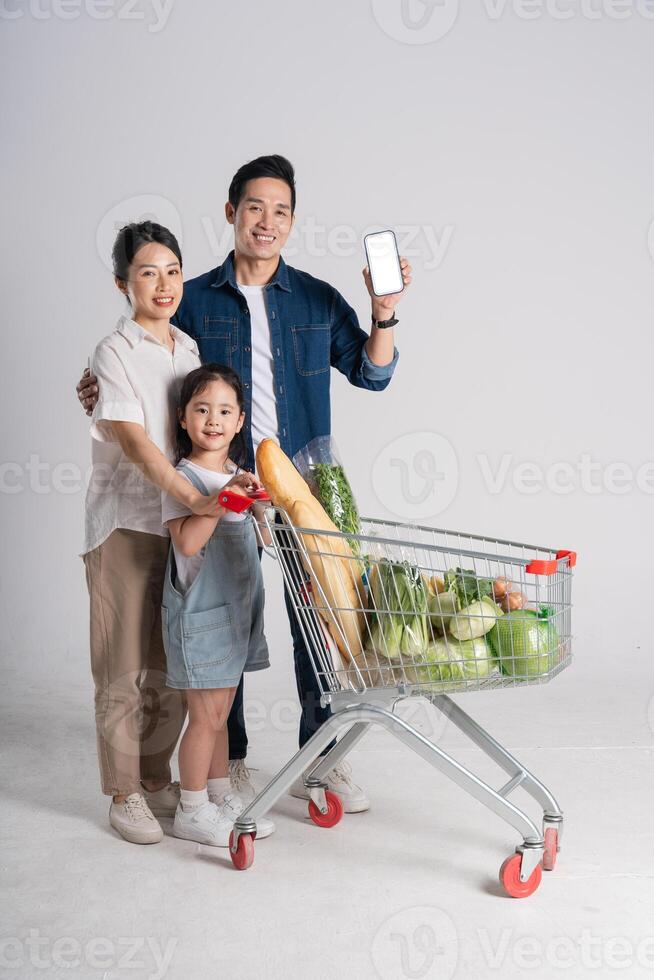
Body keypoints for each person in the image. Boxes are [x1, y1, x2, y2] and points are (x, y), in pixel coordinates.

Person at [77, 154, 412, 812]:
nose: (267, 220)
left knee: (320, 622)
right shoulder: (193, 297)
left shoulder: (315, 297)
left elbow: (373, 374)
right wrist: (93, 389)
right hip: (221, 483)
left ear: (292, 220)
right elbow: (150, 374)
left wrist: (384, 311)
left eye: (281, 210)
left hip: (305, 485)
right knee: (222, 622)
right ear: (231, 213)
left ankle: (322, 756)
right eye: (254, 206)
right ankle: (227, 760)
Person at [83, 221, 249, 844]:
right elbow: (139, 445)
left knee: (170, 663)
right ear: (123, 282)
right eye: (148, 272)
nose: (164, 283)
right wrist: (202, 499)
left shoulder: (187, 349)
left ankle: (158, 780)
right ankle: (124, 792)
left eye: (173, 271)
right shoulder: (113, 352)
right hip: (128, 523)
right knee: (123, 663)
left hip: (184, 530)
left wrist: (216, 498)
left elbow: (197, 429)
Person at [162, 363, 275, 846]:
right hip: (202, 619)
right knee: (203, 716)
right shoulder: (181, 477)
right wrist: (224, 501)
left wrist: (261, 506)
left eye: (224, 410)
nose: (213, 419)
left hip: (237, 616)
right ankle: (191, 808)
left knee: (222, 712)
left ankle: (219, 792)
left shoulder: (236, 474)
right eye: (202, 409)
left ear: (240, 420)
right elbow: (187, 543)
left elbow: (262, 539)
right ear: (183, 419)